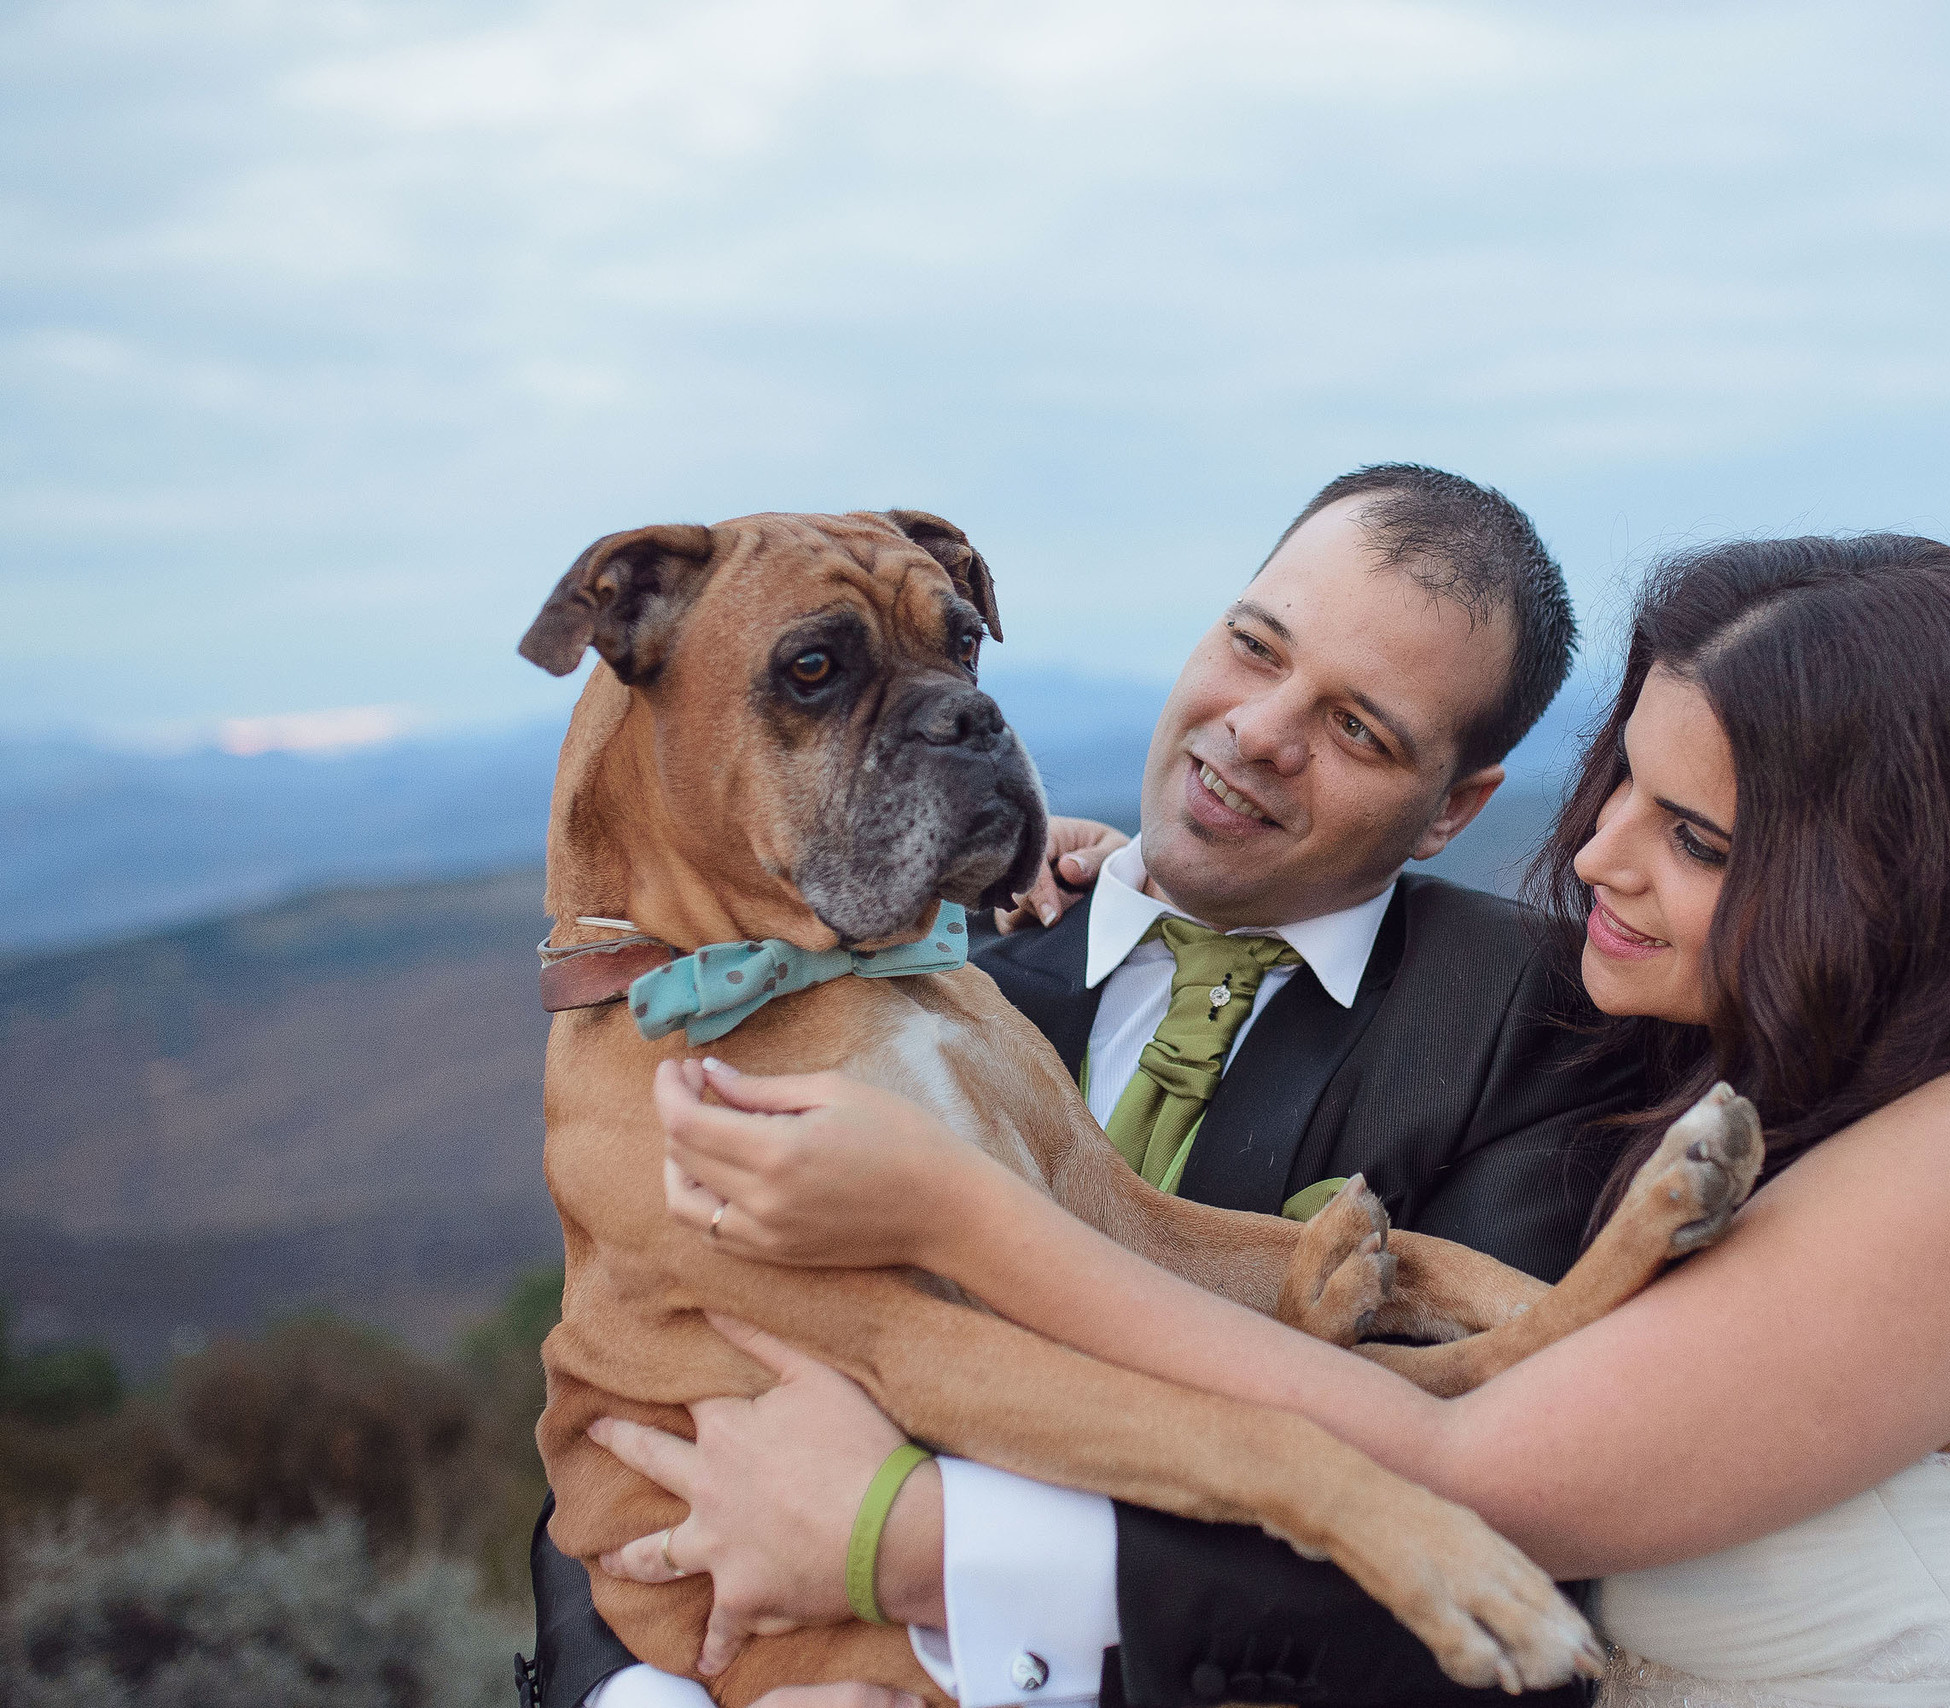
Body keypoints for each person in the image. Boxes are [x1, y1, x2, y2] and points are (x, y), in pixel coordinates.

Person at [590, 534, 1950, 1708]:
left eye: (1691, 835)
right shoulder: (947, 953)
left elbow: (1469, 1474)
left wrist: (914, 1484)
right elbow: (641, 1387)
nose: (1601, 858)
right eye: (1617, 785)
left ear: (1895, 883)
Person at [529, 465, 1651, 1708]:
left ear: (1451, 812)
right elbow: (616, 1442)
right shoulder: (928, 964)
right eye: (1253, 647)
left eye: (1358, 730)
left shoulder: (1535, 1022)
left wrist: (917, 1541)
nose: (1262, 731)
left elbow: (1536, 1505)